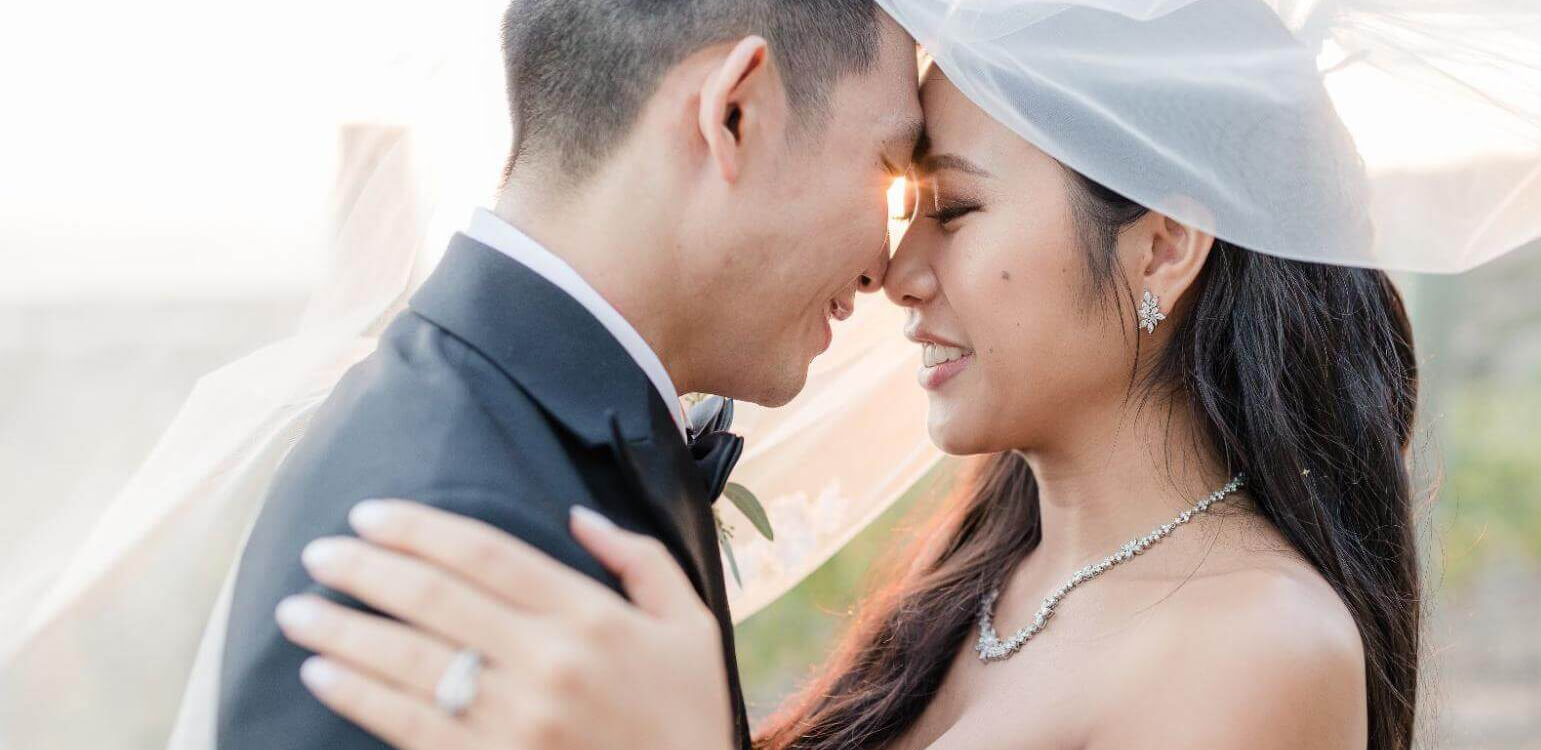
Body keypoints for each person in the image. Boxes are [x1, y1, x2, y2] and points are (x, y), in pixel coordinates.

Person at [274, 31, 1424, 750]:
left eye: (954, 209)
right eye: (903, 208)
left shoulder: (1262, 647)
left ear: (1162, 245)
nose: (897, 270)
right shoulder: (970, 581)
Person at [213, 2, 922, 749]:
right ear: (733, 114)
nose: (883, 267)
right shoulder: (470, 535)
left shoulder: (477, 409)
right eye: (888, 169)